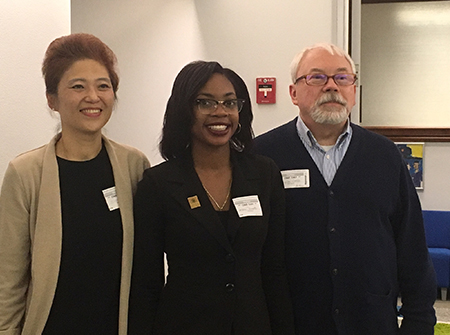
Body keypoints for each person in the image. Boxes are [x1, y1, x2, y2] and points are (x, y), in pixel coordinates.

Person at [253, 43, 436, 335]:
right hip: (290, 323)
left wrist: (419, 322)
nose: (331, 87)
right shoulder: (262, 156)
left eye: (342, 78)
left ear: (353, 90)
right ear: (293, 93)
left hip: (371, 322)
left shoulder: (386, 156)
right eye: (316, 77)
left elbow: (411, 247)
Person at [128, 61, 294, 334]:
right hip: (183, 325)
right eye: (205, 103)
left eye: (230, 103)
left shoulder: (264, 174)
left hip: (252, 325)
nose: (220, 113)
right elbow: (146, 282)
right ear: (184, 110)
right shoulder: (159, 184)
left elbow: (274, 269)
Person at [0, 33, 150, 335]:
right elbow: (9, 282)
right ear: (52, 99)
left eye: (103, 86)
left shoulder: (134, 166)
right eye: (77, 86)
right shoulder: (26, 173)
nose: (93, 97)